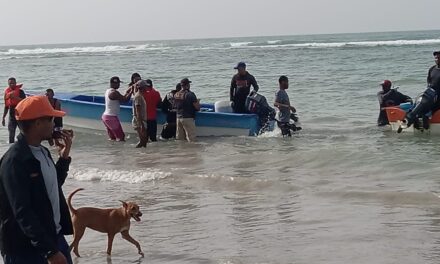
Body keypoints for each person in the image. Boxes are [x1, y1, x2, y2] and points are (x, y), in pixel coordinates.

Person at [0, 95, 74, 264]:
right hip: (25, 248)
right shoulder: (15, 161)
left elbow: (50, 188)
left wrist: (63, 159)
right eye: (51, 119)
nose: (55, 124)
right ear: (38, 123)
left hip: (53, 238)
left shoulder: (42, 152)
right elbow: (22, 212)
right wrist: (50, 252)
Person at [404, 51, 440, 128]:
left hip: (438, 96)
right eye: (436, 58)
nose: (437, 59)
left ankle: (425, 117)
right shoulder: (432, 69)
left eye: (438, 58)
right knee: (420, 100)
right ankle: (413, 118)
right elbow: (429, 82)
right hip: (431, 94)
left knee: (428, 104)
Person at [102, 76, 133, 141]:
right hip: (111, 118)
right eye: (118, 83)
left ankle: (113, 150)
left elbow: (123, 97)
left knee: (113, 138)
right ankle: (119, 151)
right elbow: (125, 100)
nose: (119, 85)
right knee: (121, 137)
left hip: (106, 117)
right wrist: (131, 91)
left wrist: (128, 91)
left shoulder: (108, 91)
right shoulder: (114, 93)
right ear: (113, 84)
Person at [174, 78, 200, 142]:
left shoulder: (176, 94)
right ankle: (192, 151)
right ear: (188, 85)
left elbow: (175, 106)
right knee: (191, 138)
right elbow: (197, 107)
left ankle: (182, 151)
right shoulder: (190, 94)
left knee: (180, 139)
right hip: (188, 118)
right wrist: (198, 102)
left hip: (178, 118)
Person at [2, 77, 26, 143]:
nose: (12, 84)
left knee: (24, 133)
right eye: (10, 83)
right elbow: (6, 106)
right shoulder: (7, 93)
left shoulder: (20, 92)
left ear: (15, 83)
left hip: (20, 114)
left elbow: (25, 102)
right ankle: (11, 148)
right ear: (8, 84)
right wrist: (3, 117)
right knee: (11, 134)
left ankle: (25, 147)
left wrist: (15, 97)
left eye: (13, 83)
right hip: (11, 115)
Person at [132, 80, 148, 148]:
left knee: (145, 140)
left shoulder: (140, 95)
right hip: (139, 120)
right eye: (146, 86)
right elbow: (138, 111)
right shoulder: (138, 96)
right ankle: (136, 153)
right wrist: (141, 125)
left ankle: (143, 154)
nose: (147, 88)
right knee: (142, 140)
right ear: (143, 87)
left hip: (142, 120)